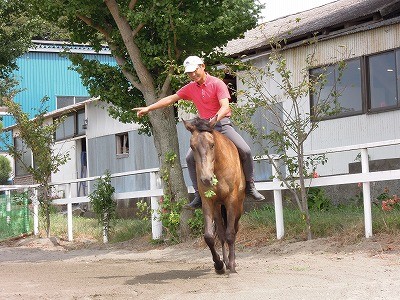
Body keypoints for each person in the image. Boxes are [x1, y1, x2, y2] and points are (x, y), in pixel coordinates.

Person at [134, 55, 265, 209]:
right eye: (189, 73)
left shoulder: (217, 84)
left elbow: (225, 106)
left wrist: (215, 119)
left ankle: (250, 186)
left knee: (246, 150)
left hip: (221, 125)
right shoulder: (190, 88)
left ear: (203, 66)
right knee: (189, 158)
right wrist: (149, 108)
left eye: (194, 71)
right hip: (203, 130)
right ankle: (198, 195)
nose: (192, 75)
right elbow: (171, 99)